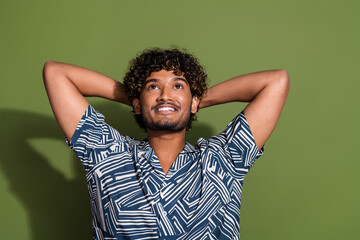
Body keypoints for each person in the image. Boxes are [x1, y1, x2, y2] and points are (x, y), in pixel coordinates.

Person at [43, 48, 290, 239]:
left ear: (194, 101)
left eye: (178, 86)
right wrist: (138, 97)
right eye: (153, 87)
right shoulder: (106, 154)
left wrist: (192, 101)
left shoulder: (224, 158)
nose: (165, 94)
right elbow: (55, 73)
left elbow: (276, 81)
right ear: (137, 103)